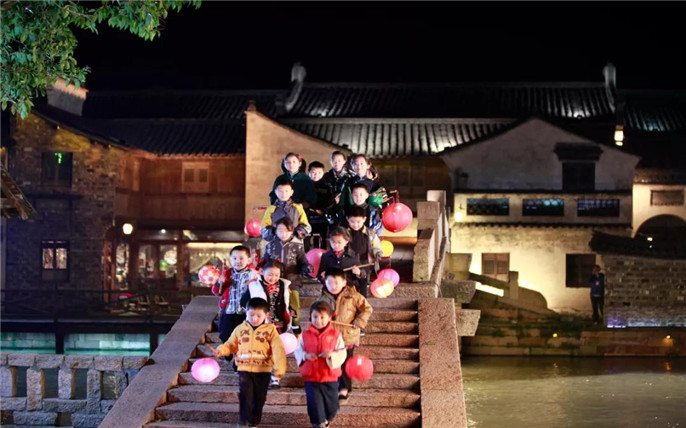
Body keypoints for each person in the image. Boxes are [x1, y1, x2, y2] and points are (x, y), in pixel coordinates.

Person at [213, 297, 287, 428]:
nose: (254, 318)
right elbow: (230, 344)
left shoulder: (270, 330)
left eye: (259, 316)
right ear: (246, 312)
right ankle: (243, 421)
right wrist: (222, 350)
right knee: (245, 395)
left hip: (263, 370)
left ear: (266, 315)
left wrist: (279, 368)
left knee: (259, 398)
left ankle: (253, 422)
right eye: (251, 315)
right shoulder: (240, 329)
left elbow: (278, 349)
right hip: (244, 369)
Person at [316, 268, 373, 401]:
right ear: (325, 283)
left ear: (344, 282)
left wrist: (359, 322)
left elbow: (367, 309)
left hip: (347, 336)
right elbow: (316, 313)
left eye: (336, 283)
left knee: (345, 362)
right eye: (330, 283)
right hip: (329, 336)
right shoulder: (322, 298)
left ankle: (344, 388)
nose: (333, 286)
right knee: (331, 361)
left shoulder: (353, 295)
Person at [241, 259, 296, 388]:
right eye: (270, 274)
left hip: (279, 324)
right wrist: (253, 313)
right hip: (261, 324)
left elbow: (286, 302)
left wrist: (291, 311)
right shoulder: (254, 285)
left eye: (277, 275)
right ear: (262, 272)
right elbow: (244, 302)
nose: (273, 278)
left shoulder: (283, 285)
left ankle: (276, 378)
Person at [294, 300, 347, 428]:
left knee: (332, 406)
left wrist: (331, 355)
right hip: (312, 377)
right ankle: (319, 423)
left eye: (322, 317)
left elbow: (342, 352)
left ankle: (326, 420)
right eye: (315, 317)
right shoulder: (305, 335)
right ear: (310, 317)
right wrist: (305, 355)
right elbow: (298, 350)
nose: (318, 320)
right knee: (315, 405)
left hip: (330, 377)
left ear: (329, 318)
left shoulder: (336, 335)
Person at [262, 216, 311, 335]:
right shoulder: (270, 246)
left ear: (292, 230)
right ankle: (276, 329)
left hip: (292, 281)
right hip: (274, 282)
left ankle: (295, 326)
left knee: (294, 306)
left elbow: (303, 262)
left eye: (286, 231)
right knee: (276, 306)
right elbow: (264, 263)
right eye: (280, 230)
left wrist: (307, 268)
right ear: (275, 230)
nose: (283, 234)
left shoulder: (297, 246)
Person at [211, 245, 261, 345]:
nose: (238, 261)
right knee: (225, 334)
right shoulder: (226, 274)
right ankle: (228, 351)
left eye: (241, 258)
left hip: (245, 312)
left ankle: (240, 353)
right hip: (228, 310)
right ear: (230, 259)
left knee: (244, 337)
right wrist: (219, 282)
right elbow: (216, 292)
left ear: (249, 259)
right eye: (234, 258)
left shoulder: (253, 274)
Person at [345, 205, 384, 297]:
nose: (355, 224)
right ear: (347, 219)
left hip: (364, 264)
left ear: (364, 219)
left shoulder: (370, 233)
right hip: (348, 264)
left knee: (363, 289)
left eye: (358, 222)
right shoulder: (344, 233)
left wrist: (378, 253)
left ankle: (362, 303)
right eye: (352, 221)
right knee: (348, 289)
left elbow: (376, 246)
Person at [261, 177, 311, 242]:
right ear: (275, 192)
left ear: (291, 192)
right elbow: (263, 229)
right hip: (275, 243)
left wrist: (295, 232)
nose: (283, 194)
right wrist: (276, 231)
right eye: (280, 191)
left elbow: (307, 227)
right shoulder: (271, 209)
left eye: (286, 191)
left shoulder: (297, 208)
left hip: (295, 242)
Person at [316, 226, 366, 292]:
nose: (336, 245)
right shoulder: (326, 256)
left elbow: (363, 274)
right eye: (333, 242)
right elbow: (319, 277)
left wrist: (359, 272)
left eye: (339, 242)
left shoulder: (353, 256)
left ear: (346, 241)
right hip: (331, 290)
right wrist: (322, 277)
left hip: (349, 290)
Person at [306, 160, 335, 250]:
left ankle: (321, 255)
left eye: (319, 173)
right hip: (307, 217)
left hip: (322, 217)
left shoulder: (327, 186)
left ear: (323, 173)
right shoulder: (305, 186)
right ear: (309, 172)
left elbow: (330, 201)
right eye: (313, 172)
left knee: (321, 240)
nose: (316, 175)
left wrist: (324, 211)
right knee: (306, 239)